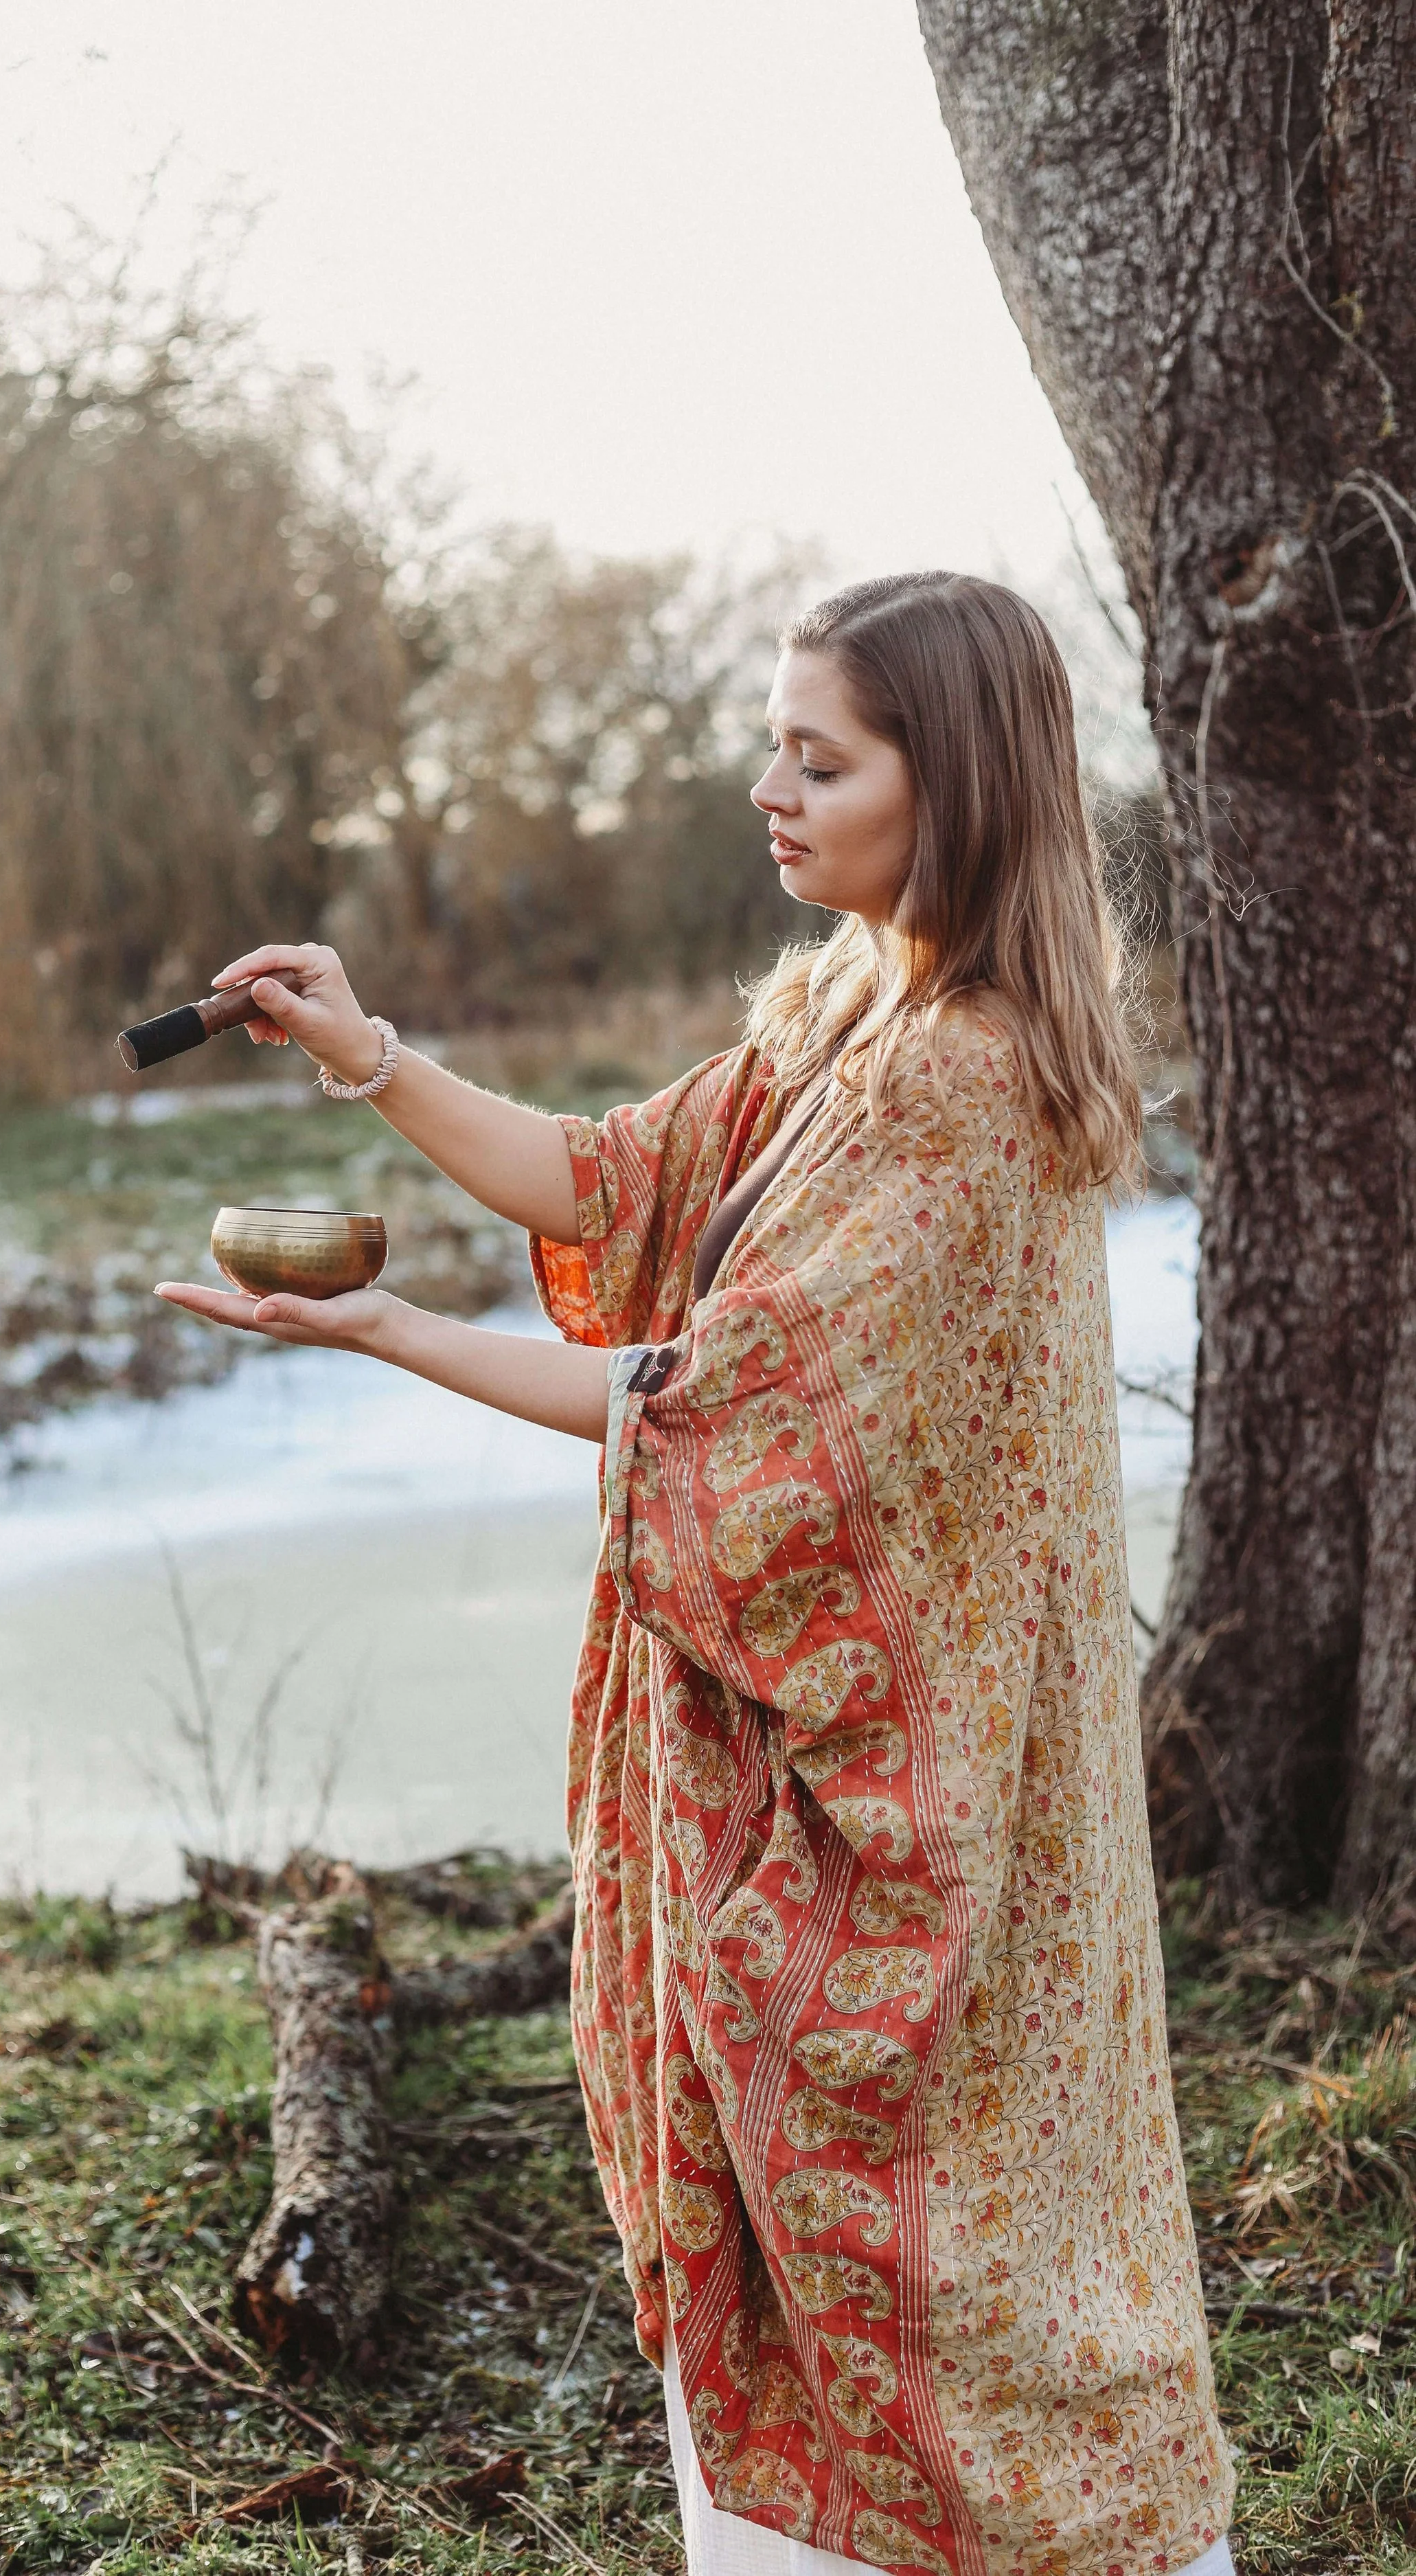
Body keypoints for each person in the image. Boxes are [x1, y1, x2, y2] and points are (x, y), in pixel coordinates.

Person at [155, 572, 1235, 2576]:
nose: (765, 785)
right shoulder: (847, 1010)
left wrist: (384, 1337)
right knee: (835, 2263)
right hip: (867, 1755)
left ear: (963, 785)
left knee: (938, 2258)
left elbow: (707, 1404)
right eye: (770, 740)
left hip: (922, 1789)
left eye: (816, 757)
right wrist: (365, 1050)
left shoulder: (952, 1080)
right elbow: (612, 1185)